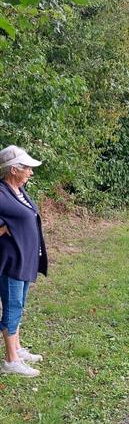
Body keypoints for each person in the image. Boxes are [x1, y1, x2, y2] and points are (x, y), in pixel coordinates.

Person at [0, 145, 48, 377]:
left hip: (25, 259)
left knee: (19, 305)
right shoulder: (1, 193)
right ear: (13, 169)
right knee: (12, 308)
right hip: (11, 262)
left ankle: (17, 349)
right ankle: (11, 361)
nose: (31, 172)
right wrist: (2, 228)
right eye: (27, 168)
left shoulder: (18, 190)